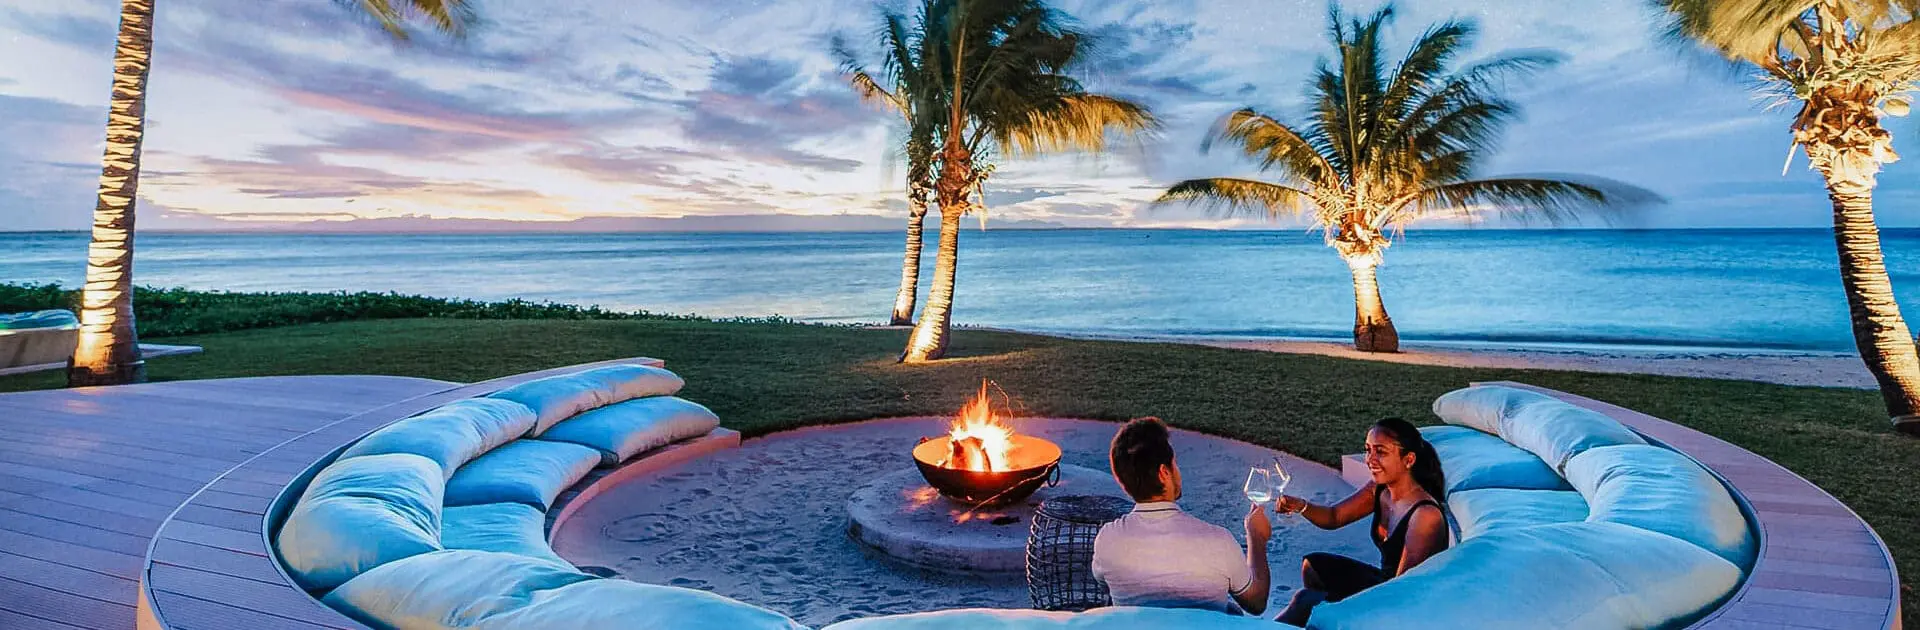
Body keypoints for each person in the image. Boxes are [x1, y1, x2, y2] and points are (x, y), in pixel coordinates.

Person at [1271, 417, 1449, 626]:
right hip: (1385, 583)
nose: (1370, 460)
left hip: (1403, 604)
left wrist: (1339, 608)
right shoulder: (1380, 489)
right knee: (1314, 567)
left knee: (1306, 602)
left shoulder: (1425, 515)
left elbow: (1402, 593)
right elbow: (1335, 516)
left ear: (1408, 460)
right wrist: (1300, 505)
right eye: (1368, 450)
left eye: (1380, 452)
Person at [1090, 417, 1273, 616]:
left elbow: (1104, 582)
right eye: (1174, 464)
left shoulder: (1107, 540)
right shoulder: (1217, 541)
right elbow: (1256, 603)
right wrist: (1257, 537)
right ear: (1163, 473)